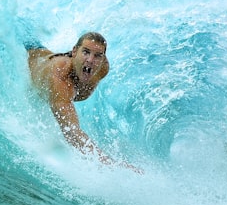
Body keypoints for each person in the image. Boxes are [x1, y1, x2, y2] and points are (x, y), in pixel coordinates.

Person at [26, 31, 141, 173]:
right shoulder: (60, 80)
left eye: (98, 55)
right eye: (86, 52)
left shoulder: (102, 68)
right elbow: (71, 132)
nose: (91, 60)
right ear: (74, 51)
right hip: (29, 57)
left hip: (45, 54)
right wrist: (110, 163)